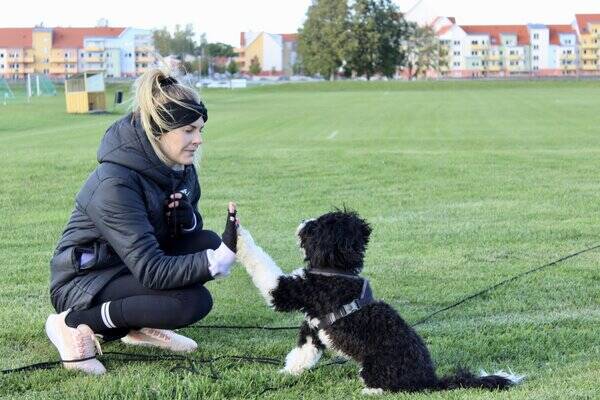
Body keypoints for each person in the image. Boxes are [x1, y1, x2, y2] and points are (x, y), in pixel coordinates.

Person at [45, 67, 238, 375]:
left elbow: (180, 238)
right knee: (191, 302)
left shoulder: (179, 164)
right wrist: (212, 264)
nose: (198, 139)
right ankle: (72, 323)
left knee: (207, 241)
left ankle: (136, 326)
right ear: (159, 130)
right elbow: (150, 269)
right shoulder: (115, 183)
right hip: (87, 281)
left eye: (200, 129)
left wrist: (186, 221)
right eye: (189, 130)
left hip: (128, 266)